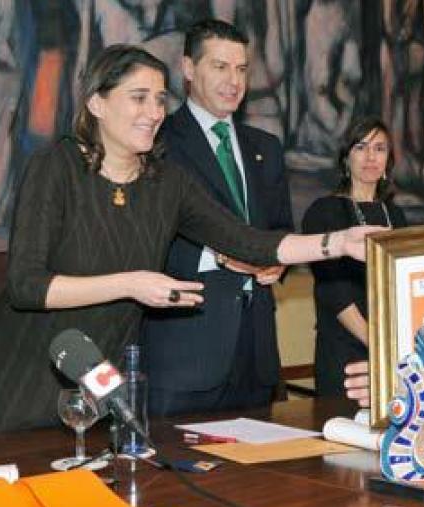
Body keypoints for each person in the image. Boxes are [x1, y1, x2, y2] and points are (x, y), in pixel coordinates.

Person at [0, 44, 376, 437]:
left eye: (160, 100)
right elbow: (26, 286)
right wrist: (131, 284)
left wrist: (337, 243)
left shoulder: (167, 182)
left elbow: (249, 242)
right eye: (139, 98)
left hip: (103, 389)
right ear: (97, 104)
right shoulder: (56, 168)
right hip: (25, 381)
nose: (154, 112)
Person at [141, 20, 292, 416]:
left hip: (256, 355)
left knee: (258, 476)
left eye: (242, 69)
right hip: (185, 354)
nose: (234, 81)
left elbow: (280, 230)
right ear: (189, 69)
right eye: (220, 66)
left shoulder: (267, 148)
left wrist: (277, 263)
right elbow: (143, 244)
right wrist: (222, 256)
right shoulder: (155, 143)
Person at [302, 117, 407, 398]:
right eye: (361, 147)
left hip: (395, 347)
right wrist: (377, 342)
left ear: (388, 160)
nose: (371, 156)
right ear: (346, 158)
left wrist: (400, 344)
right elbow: (332, 291)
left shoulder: (396, 216)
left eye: (380, 148)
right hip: (344, 349)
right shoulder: (323, 211)